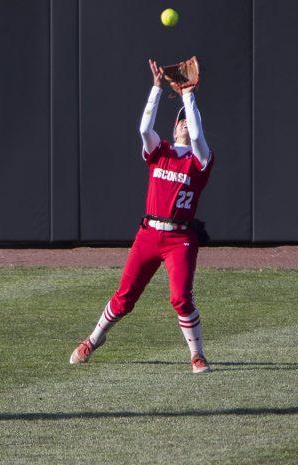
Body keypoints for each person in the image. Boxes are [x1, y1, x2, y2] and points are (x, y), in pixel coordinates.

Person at [70, 59, 214, 373]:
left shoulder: (199, 160)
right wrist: (156, 89)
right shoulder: (159, 150)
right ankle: (94, 339)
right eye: (182, 121)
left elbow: (200, 137)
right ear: (175, 127)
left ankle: (196, 354)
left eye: (191, 120)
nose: (186, 124)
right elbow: (143, 128)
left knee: (180, 298)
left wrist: (189, 97)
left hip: (180, 238)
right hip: (149, 233)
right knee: (125, 297)